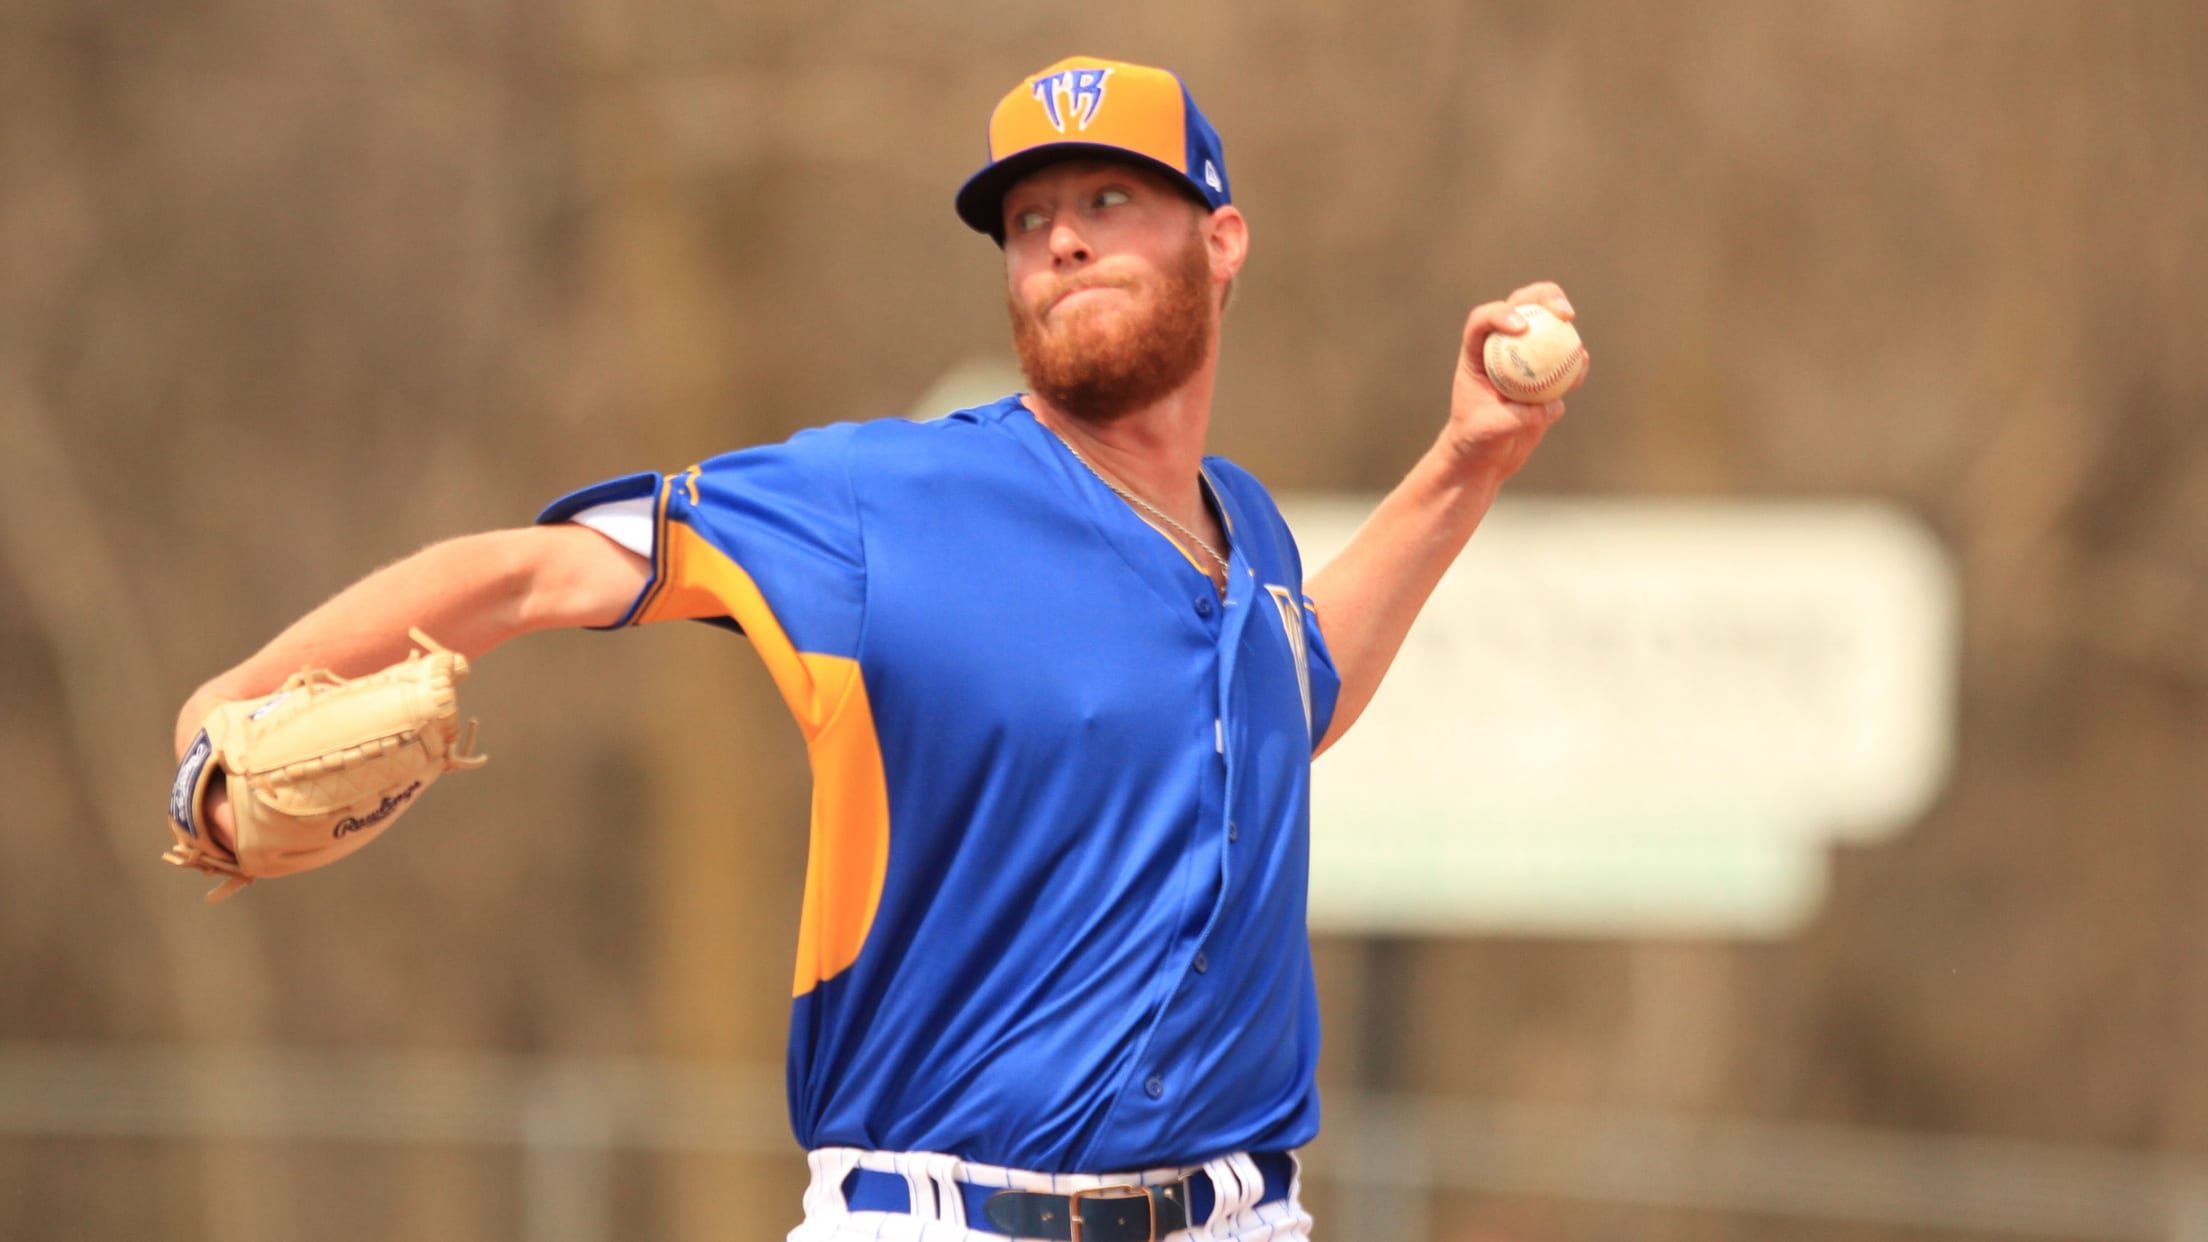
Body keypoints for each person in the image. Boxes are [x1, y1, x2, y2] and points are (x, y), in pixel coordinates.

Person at [172, 55, 1580, 1242]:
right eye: (1028, 219)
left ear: (1222, 242)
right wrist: (222, 714)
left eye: (1110, 199)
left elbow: (1293, 693)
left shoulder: (1246, 529)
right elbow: (530, 572)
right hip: (942, 1213)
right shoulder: (880, 502)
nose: (1063, 240)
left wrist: (1469, 458)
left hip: (1243, 1214)